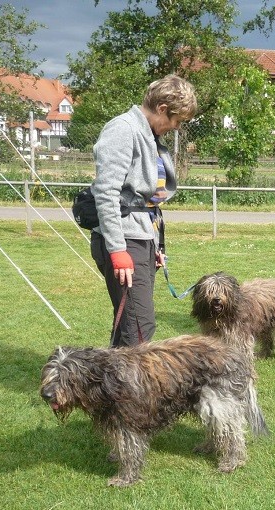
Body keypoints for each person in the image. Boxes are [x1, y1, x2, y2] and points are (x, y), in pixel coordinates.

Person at [90, 74, 197, 347]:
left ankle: (109, 386)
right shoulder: (123, 129)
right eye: (176, 121)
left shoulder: (148, 134)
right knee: (138, 329)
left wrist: (155, 245)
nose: (175, 128)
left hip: (142, 239)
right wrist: (117, 250)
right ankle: (129, 389)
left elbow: (147, 202)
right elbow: (106, 192)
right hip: (124, 241)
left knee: (131, 323)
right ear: (162, 109)